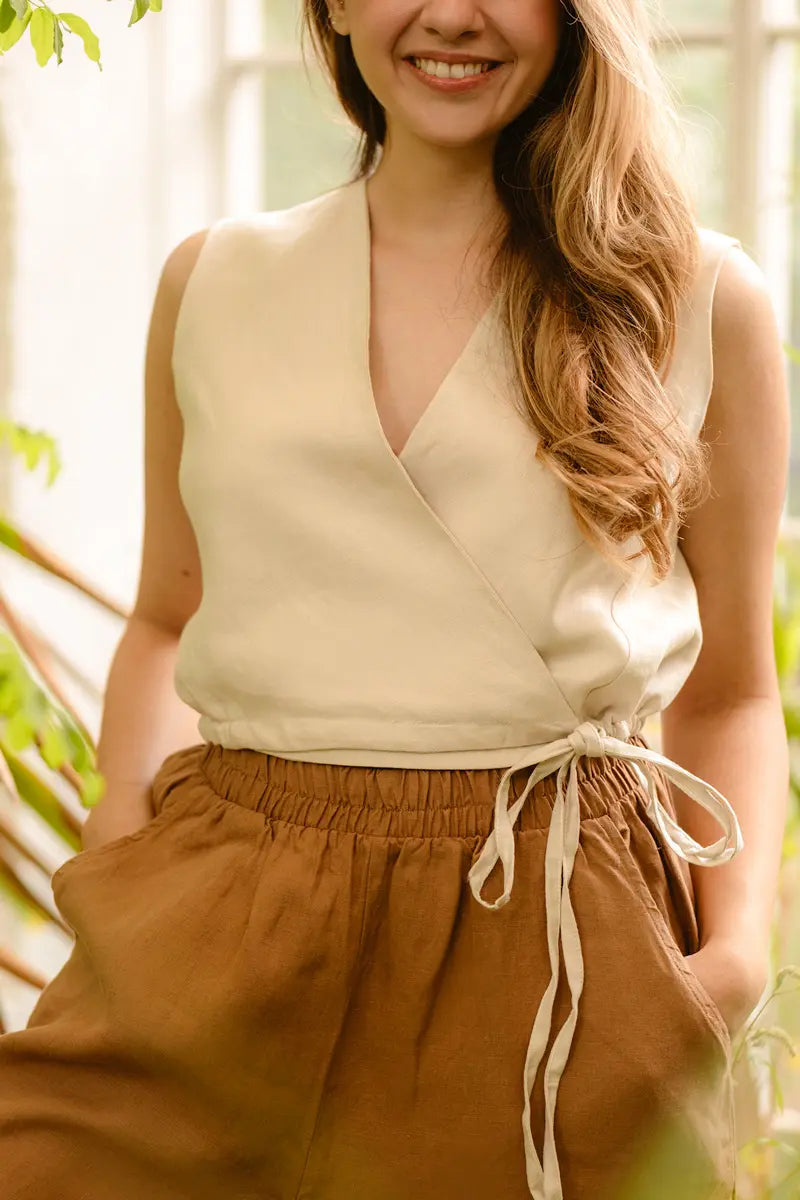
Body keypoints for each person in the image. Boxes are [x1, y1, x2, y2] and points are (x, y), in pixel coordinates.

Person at [0, 0, 790, 1198]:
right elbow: (169, 614)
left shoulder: (693, 297)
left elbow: (731, 683)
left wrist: (728, 959)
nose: (452, 15)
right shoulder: (213, 282)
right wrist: (122, 833)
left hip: (556, 938)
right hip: (227, 908)